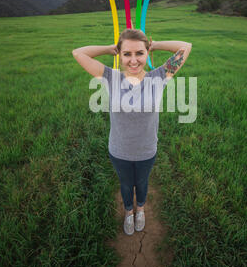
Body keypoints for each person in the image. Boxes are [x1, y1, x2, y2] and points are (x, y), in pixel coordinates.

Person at [72, 28, 192, 235]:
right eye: (127, 54)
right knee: (126, 184)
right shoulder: (110, 77)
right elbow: (78, 53)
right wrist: (110, 49)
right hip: (119, 150)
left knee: (142, 182)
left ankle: (141, 210)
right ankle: (129, 212)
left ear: (147, 53)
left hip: (147, 150)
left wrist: (155, 44)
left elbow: (186, 47)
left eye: (139, 53)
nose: (134, 60)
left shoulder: (161, 76)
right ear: (120, 54)